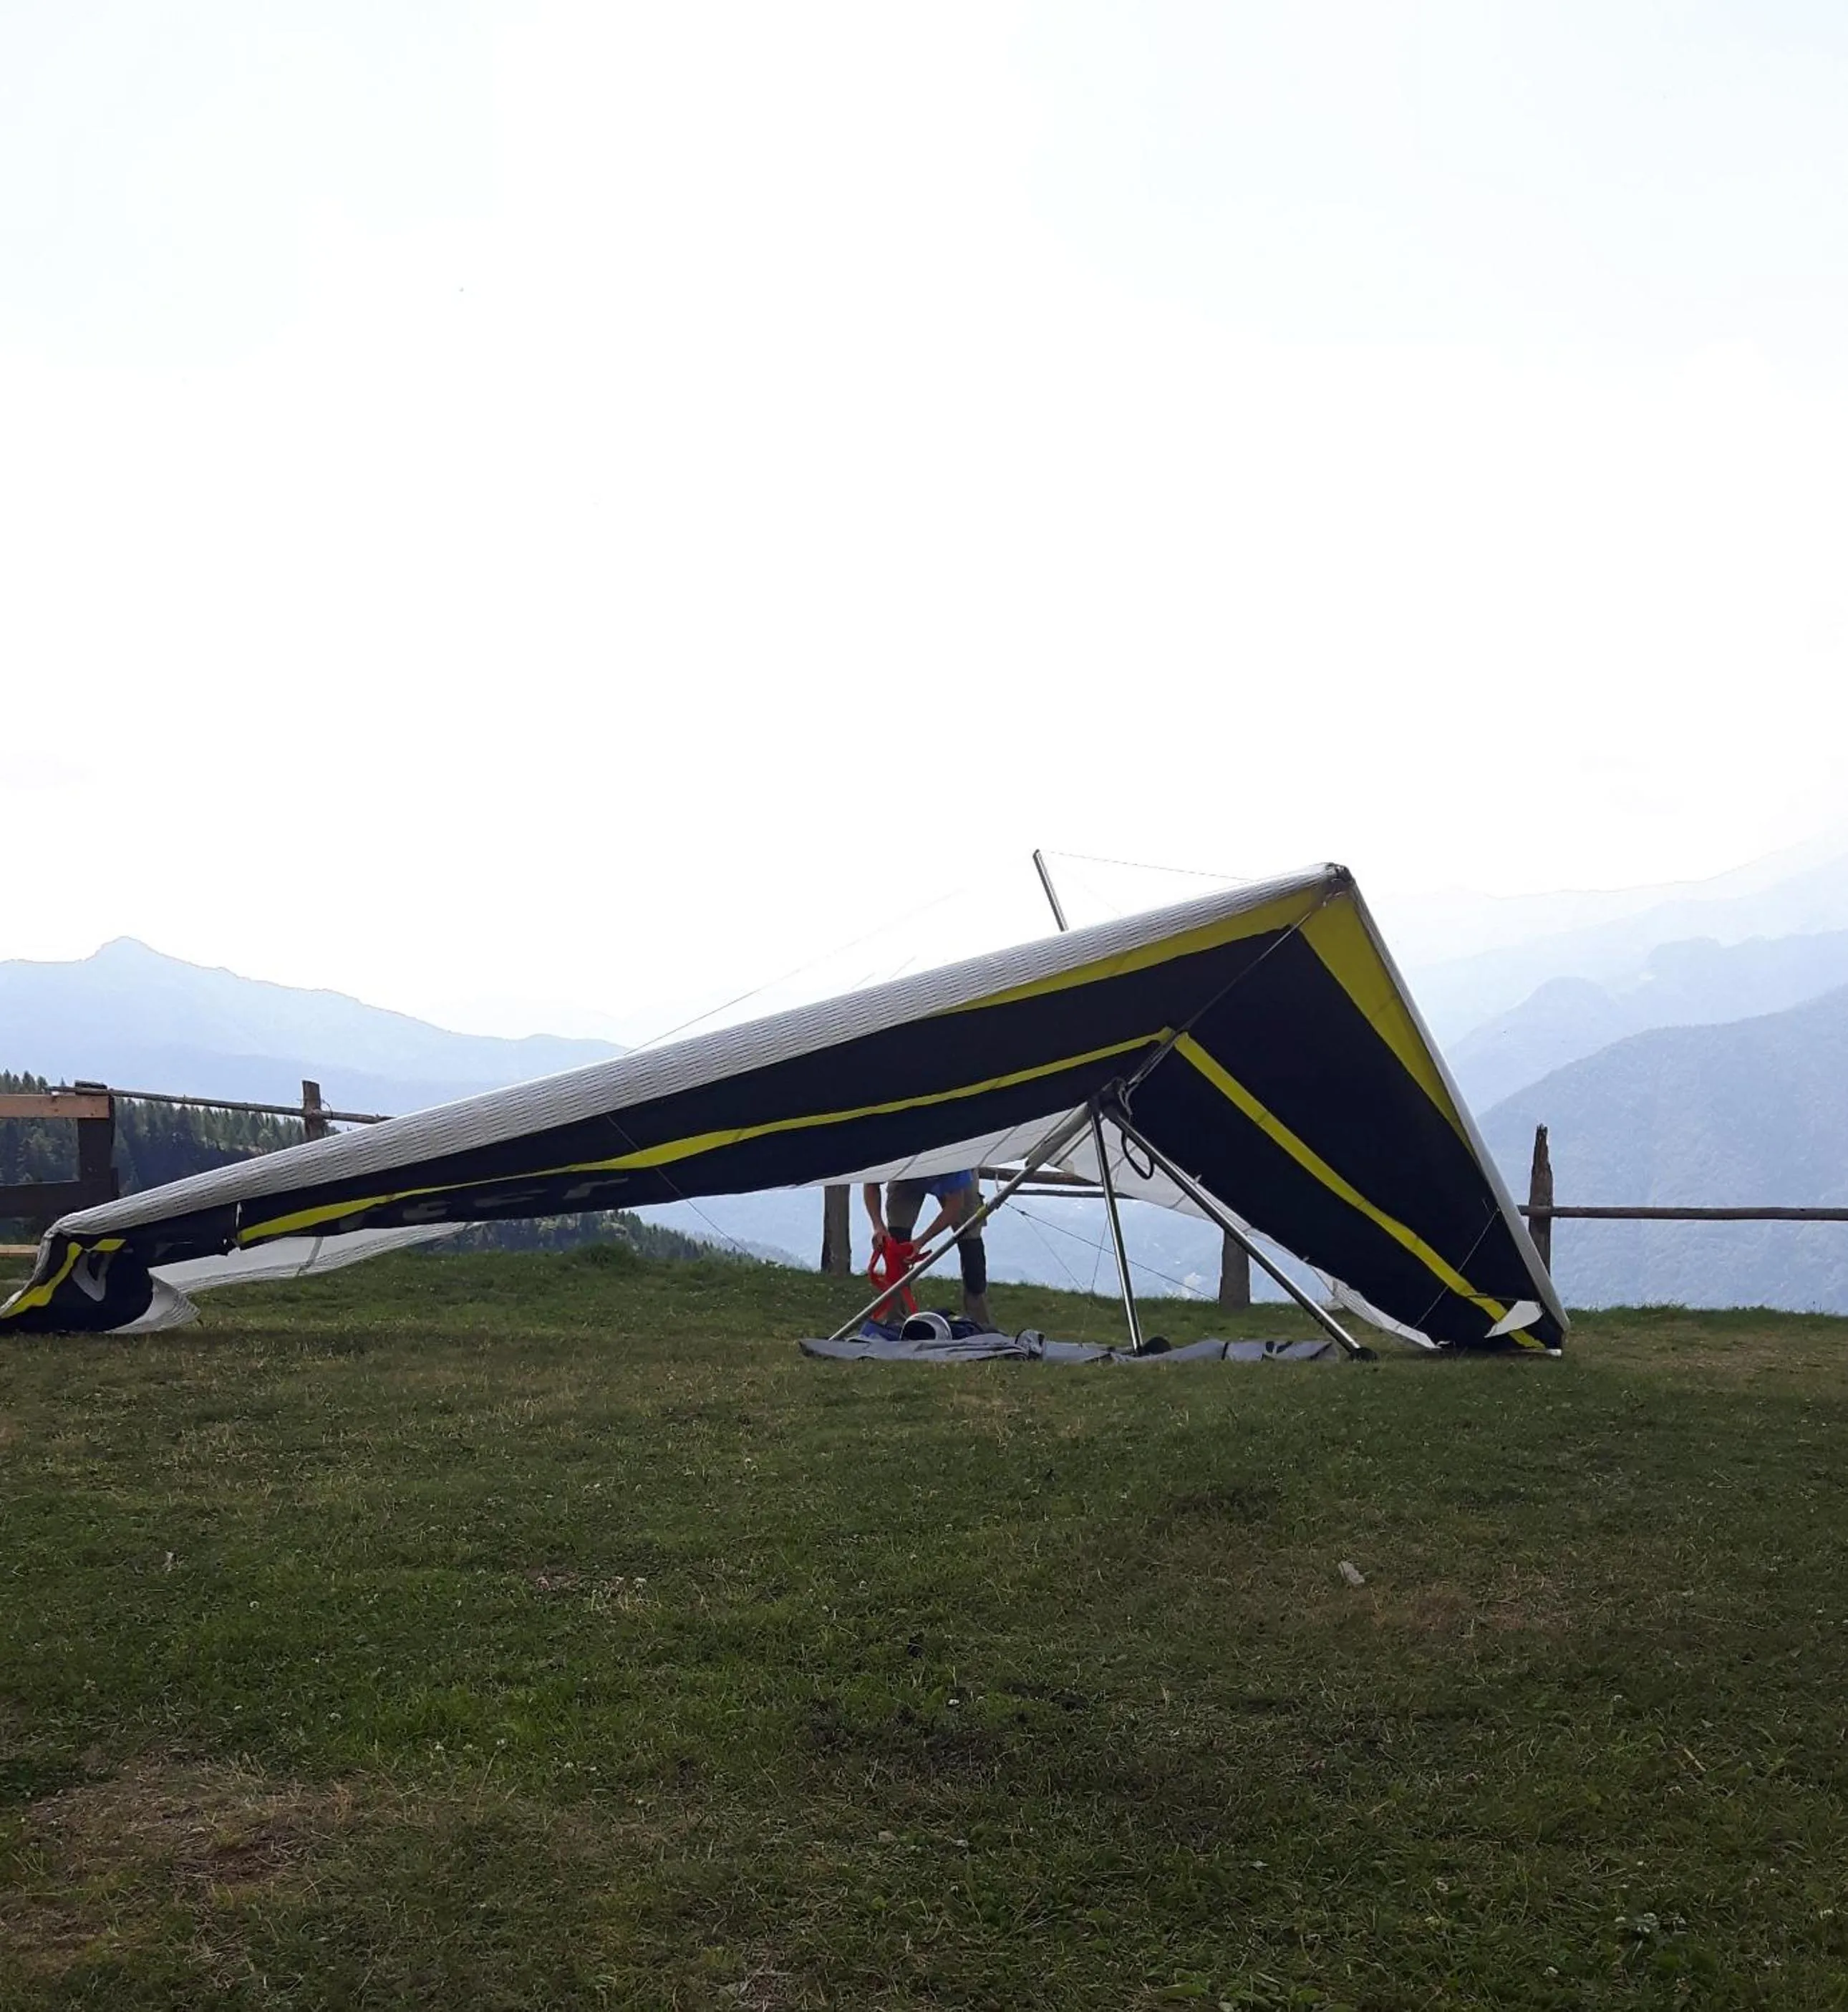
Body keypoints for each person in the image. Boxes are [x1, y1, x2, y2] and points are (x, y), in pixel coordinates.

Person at [862, 1168, 994, 1330]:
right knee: (896, 1244)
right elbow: (871, 1184)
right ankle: (895, 1320)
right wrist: (878, 1226)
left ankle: (980, 1322)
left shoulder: (956, 1163)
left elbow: (955, 1206)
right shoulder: (890, 1153)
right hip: (906, 1174)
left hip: (950, 1169)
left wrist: (921, 1241)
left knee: (970, 1239)